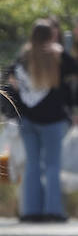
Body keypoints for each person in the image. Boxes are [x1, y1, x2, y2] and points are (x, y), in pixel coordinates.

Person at [7, 18, 77, 223]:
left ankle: (30, 211)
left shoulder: (24, 56)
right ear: (52, 35)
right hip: (54, 120)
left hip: (28, 118)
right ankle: (53, 211)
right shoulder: (58, 56)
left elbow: (10, 75)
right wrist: (62, 51)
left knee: (32, 165)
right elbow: (75, 69)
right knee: (53, 165)